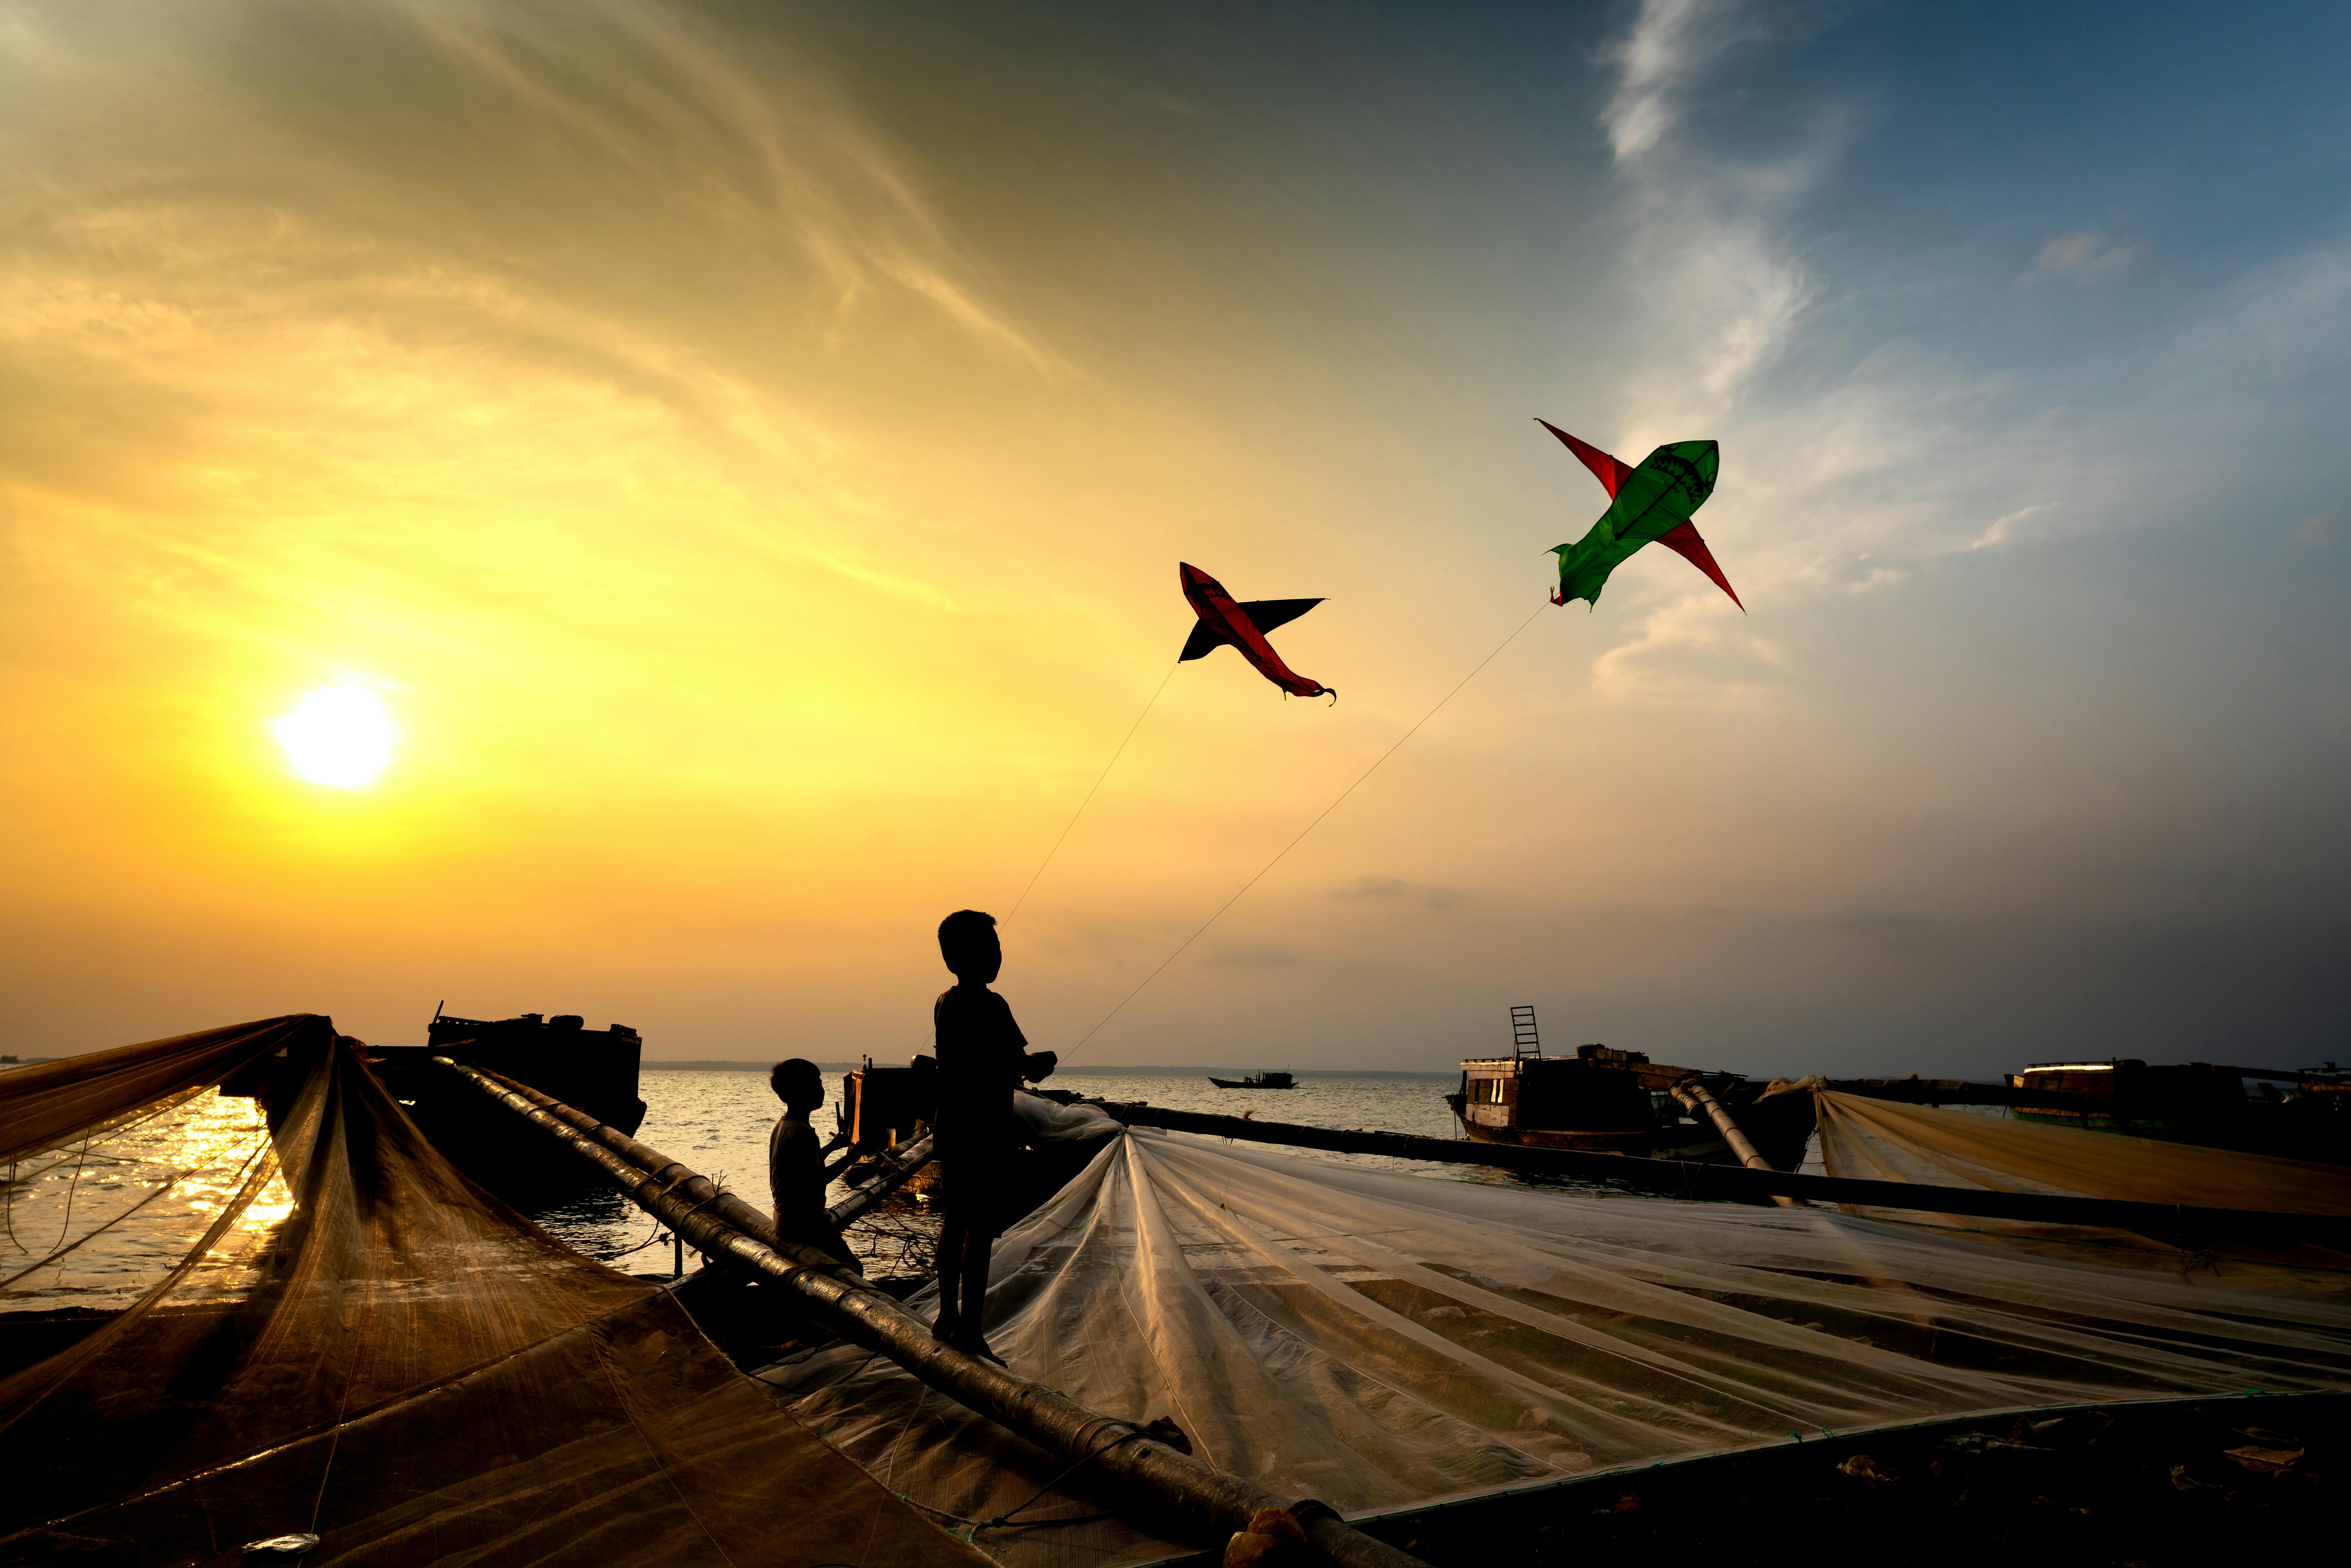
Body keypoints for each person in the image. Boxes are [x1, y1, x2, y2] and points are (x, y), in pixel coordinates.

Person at [929, 909, 1055, 1361]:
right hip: (981, 1126)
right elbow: (1009, 1064)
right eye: (991, 947)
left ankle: (947, 1316)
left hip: (951, 1123)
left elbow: (970, 1061)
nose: (999, 955)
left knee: (955, 1219)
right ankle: (971, 1331)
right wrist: (1039, 1063)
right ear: (968, 955)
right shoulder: (990, 1004)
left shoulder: (946, 1000)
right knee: (980, 1230)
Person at [767, 1057, 863, 1271]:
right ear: (802, 1090)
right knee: (854, 1270)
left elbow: (800, 1166)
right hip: (807, 1225)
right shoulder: (803, 1133)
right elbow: (818, 1180)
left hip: (784, 1220)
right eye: (817, 1083)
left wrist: (832, 1147)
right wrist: (852, 1157)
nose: (823, 1090)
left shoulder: (784, 1126)